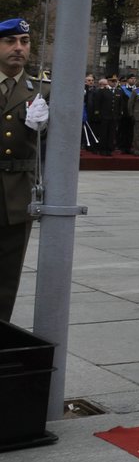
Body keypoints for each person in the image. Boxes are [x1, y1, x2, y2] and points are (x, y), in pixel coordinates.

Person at [0, 18, 48, 323]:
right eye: (10, 41)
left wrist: (47, 125)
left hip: (16, 196)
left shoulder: (41, 91)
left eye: (25, 41)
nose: (19, 47)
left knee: (6, 279)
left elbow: (59, 148)